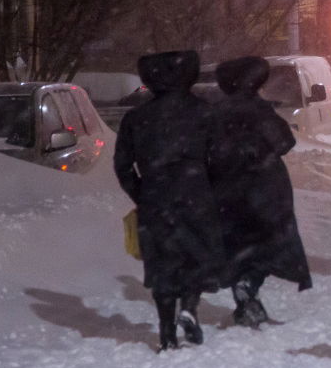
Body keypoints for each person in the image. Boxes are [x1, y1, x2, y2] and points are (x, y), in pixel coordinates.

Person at [114, 50, 226, 352]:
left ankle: (166, 333)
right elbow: (221, 158)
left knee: (163, 264)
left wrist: (141, 192)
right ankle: (188, 307)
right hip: (196, 194)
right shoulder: (205, 112)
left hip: (155, 196)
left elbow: (122, 165)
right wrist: (211, 189)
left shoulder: (136, 118)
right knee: (195, 256)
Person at [209, 56, 313, 327]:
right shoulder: (258, 110)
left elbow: (206, 150)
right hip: (264, 188)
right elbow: (284, 142)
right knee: (268, 244)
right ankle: (249, 285)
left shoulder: (215, 112)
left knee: (237, 245)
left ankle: (244, 299)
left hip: (226, 188)